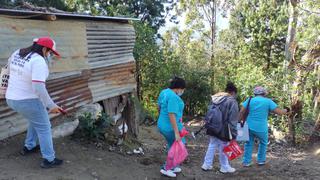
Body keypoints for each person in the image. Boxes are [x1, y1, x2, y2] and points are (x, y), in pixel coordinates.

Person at [6, 37, 64, 168]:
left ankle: (29, 146)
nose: (50, 56)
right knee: (44, 128)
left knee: (35, 119)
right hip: (27, 100)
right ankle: (49, 160)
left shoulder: (18, 53)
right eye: (50, 52)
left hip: (12, 98)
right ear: (44, 49)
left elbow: (8, 71)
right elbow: (38, 87)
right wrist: (51, 106)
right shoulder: (38, 61)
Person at [240, 86, 288, 167]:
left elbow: (241, 111)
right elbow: (279, 112)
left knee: (248, 143)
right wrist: (287, 110)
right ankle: (261, 160)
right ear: (264, 93)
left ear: (255, 93)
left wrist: (239, 122)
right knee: (263, 143)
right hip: (261, 127)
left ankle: (246, 162)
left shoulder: (250, 100)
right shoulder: (268, 101)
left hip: (249, 126)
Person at [201, 82, 239, 173]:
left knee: (212, 144)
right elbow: (233, 119)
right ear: (233, 92)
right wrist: (234, 133)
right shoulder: (232, 101)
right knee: (224, 146)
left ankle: (206, 164)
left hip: (212, 126)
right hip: (224, 128)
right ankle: (224, 167)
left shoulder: (216, 98)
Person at [157, 77, 186, 178]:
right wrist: (176, 132)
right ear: (178, 88)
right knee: (179, 145)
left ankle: (173, 165)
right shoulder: (173, 97)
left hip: (162, 124)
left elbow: (159, 107)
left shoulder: (164, 92)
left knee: (172, 144)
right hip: (170, 126)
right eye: (183, 89)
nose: (183, 91)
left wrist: (161, 118)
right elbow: (171, 114)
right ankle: (167, 168)